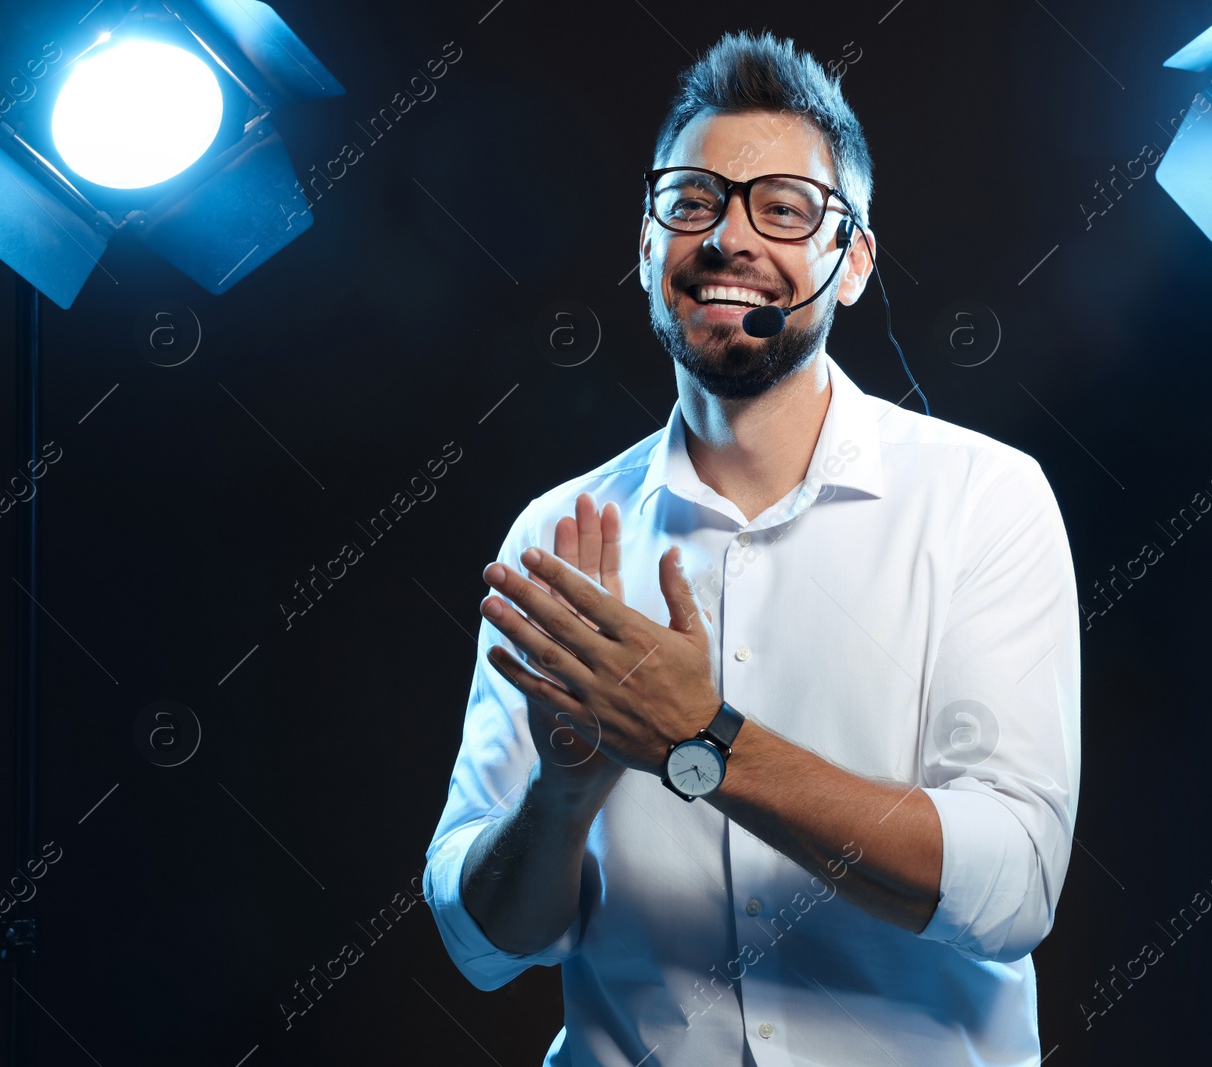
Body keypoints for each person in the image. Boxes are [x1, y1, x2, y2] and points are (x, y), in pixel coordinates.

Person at [423, 29, 1081, 1067]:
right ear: (647, 245)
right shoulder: (558, 534)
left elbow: (1012, 888)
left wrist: (702, 738)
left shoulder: (981, 498)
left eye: (783, 208)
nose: (728, 238)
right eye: (692, 202)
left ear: (852, 261)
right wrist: (561, 791)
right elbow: (486, 944)